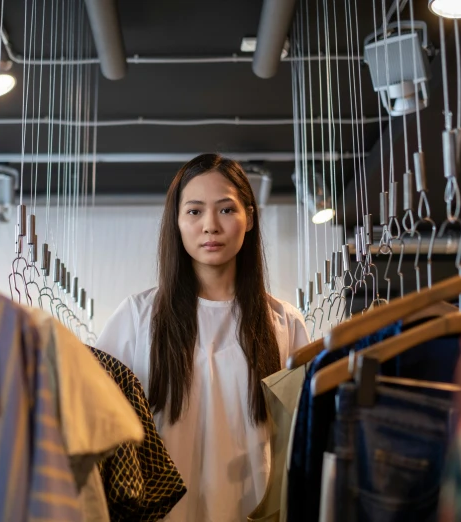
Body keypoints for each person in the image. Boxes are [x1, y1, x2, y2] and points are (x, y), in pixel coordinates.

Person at [95, 153, 310, 521]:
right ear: (177, 222)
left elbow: (301, 437)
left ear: (250, 218)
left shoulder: (284, 322)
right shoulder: (137, 317)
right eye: (194, 211)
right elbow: (99, 427)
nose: (210, 225)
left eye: (226, 210)